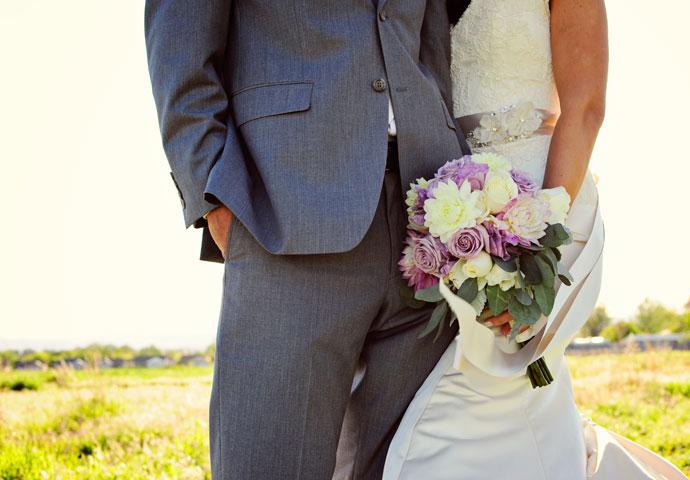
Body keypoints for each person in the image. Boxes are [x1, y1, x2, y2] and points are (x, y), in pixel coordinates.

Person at [144, 1, 466, 478]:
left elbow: (433, 46)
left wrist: (454, 168)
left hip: (426, 212)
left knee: (405, 466)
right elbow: (180, 56)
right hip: (287, 206)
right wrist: (214, 196)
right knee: (271, 463)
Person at [382, 1, 689, 478]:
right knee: (473, 393)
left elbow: (585, 107)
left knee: (483, 391)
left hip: (539, 199)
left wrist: (538, 238)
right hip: (440, 198)